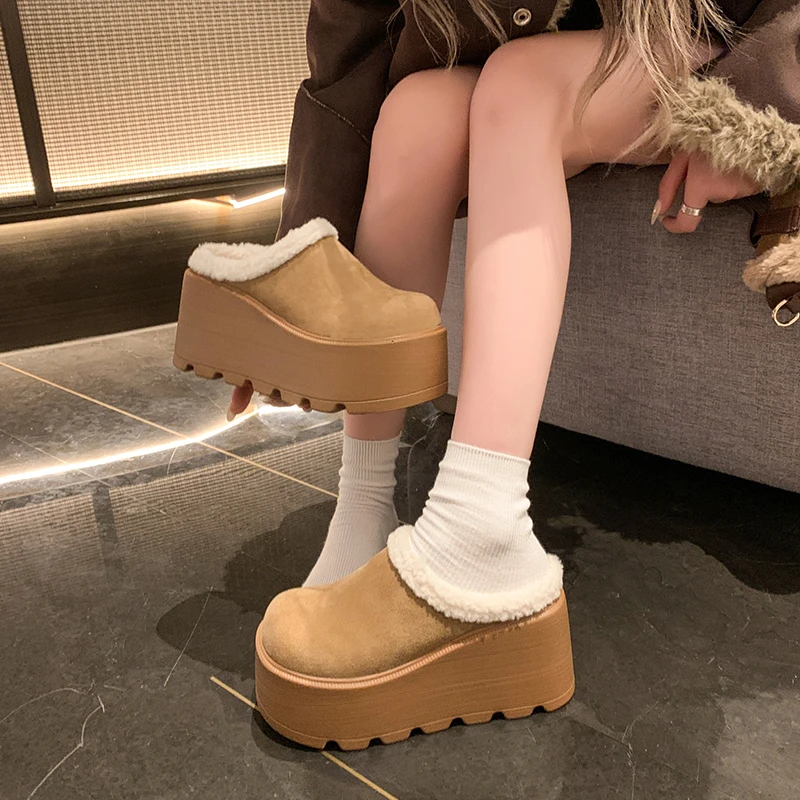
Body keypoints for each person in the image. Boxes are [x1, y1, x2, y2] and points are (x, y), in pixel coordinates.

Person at [175, 0, 800, 748]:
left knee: (521, 83)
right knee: (417, 111)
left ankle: (481, 531)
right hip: (575, 47)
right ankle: (363, 506)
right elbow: (349, 50)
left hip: (731, 35)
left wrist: (752, 106)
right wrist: (306, 291)